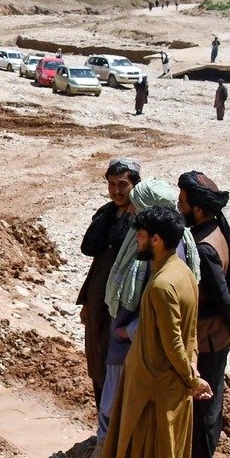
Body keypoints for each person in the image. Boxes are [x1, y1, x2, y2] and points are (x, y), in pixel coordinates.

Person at [71, 180, 200, 458]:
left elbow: (165, 314)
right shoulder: (140, 238)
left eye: (135, 205)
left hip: (143, 345)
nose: (128, 210)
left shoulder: (170, 252)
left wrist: (129, 331)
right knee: (113, 403)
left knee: (143, 415)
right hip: (126, 337)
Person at [99, 206, 211, 458]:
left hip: (158, 389)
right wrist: (191, 371)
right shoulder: (180, 272)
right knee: (153, 456)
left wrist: (193, 379)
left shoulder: (163, 285)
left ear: (157, 240)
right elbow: (188, 334)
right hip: (159, 384)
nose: (137, 240)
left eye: (142, 235)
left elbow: (174, 342)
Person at [177, 171, 230, 458]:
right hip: (217, 334)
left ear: (197, 208)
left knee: (203, 400)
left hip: (207, 337)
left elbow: (219, 294)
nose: (178, 205)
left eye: (182, 201)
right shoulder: (219, 228)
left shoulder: (204, 246)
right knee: (212, 396)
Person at [77, 158, 141, 409]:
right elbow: (94, 256)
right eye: (111, 184)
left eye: (122, 184)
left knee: (117, 366)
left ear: (135, 184)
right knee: (97, 360)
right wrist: (86, 301)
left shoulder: (140, 220)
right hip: (98, 301)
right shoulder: (107, 214)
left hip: (122, 306)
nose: (116, 190)